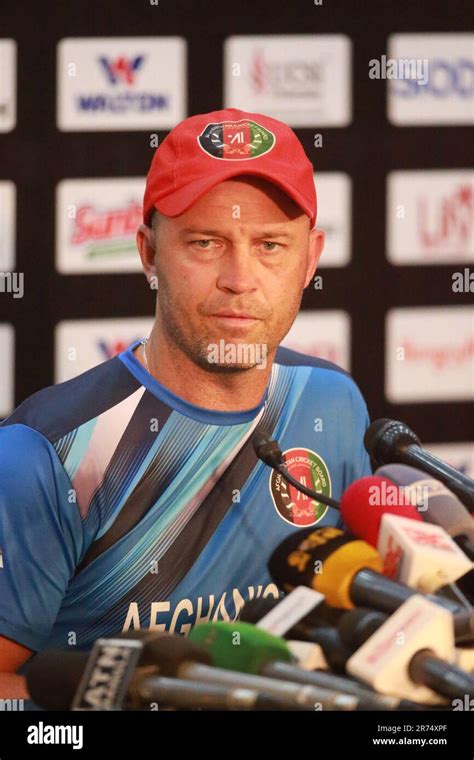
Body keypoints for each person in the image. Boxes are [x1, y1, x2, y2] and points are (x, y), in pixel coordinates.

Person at [0, 108, 371, 700]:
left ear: (309, 259)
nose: (240, 278)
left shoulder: (333, 402)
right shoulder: (45, 454)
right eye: (206, 242)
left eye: (271, 245)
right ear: (148, 253)